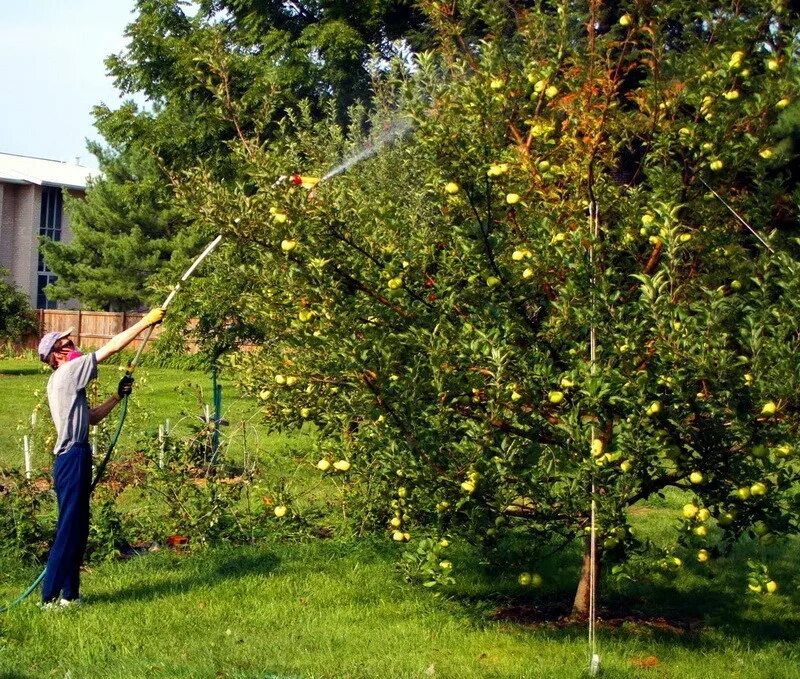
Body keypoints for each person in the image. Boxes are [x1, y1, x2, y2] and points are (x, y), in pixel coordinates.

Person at [37, 307, 165, 608]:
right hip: (71, 457)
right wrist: (145, 322)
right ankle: (49, 597)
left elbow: (91, 417)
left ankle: (69, 595)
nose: (72, 344)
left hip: (76, 455)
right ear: (56, 356)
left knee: (78, 527)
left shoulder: (69, 382)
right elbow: (112, 346)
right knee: (69, 527)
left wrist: (117, 397)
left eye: (71, 341)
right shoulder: (68, 372)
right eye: (65, 344)